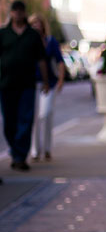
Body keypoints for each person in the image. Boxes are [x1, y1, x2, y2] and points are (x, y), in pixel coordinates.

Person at [0, 0, 49, 171]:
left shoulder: (32, 35)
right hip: (6, 84)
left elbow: (41, 60)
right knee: (9, 122)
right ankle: (15, 151)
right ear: (11, 13)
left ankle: (20, 156)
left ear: (24, 12)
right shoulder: (3, 34)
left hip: (27, 84)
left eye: (21, 10)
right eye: (15, 10)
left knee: (26, 120)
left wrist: (45, 81)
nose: (18, 13)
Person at [29, 14, 66, 162]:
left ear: (43, 25)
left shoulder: (51, 42)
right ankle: (35, 151)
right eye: (33, 24)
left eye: (38, 23)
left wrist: (61, 80)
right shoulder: (28, 42)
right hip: (32, 84)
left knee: (46, 114)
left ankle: (47, 149)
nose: (36, 26)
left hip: (48, 84)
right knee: (34, 118)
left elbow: (60, 62)